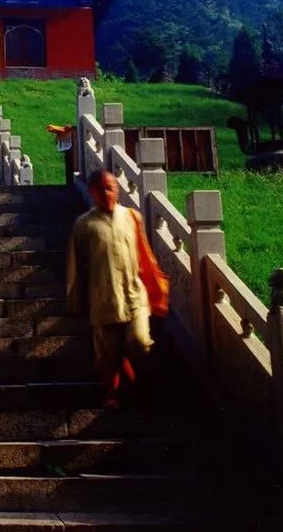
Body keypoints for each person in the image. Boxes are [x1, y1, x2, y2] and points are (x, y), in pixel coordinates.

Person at [66, 170, 168, 407]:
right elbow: (75, 266)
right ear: (92, 193)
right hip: (103, 299)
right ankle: (113, 393)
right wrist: (76, 300)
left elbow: (145, 254)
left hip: (134, 295)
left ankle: (140, 384)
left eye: (110, 188)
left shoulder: (132, 217)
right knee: (108, 356)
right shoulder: (84, 225)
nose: (106, 193)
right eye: (100, 189)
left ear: (117, 189)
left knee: (140, 342)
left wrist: (156, 287)